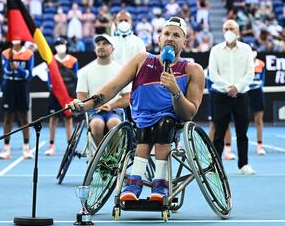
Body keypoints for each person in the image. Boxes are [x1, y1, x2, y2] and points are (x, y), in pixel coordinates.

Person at [69, 17, 205, 202]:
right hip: (142, 121)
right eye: (166, 34)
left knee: (163, 124)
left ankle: (160, 184)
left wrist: (175, 91)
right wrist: (84, 106)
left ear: (185, 42)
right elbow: (112, 88)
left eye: (176, 35)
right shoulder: (141, 60)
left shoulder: (193, 70)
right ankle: (134, 183)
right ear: (159, 39)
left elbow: (189, 113)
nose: (170, 38)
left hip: (172, 123)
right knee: (146, 127)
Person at [208, 19, 256, 175]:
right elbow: (213, 74)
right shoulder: (215, 50)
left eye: (232, 28)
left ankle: (244, 164)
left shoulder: (247, 49)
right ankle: (216, 166)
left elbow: (250, 73)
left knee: (242, 133)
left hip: (241, 96)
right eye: (226, 28)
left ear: (238, 31)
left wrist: (237, 87)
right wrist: (228, 87)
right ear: (223, 31)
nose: (229, 31)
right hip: (221, 96)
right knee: (219, 134)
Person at [76, 34, 130, 146]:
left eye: (105, 43)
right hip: (94, 112)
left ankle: (113, 156)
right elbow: (81, 97)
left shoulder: (121, 70)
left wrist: (111, 106)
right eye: (98, 44)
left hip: (115, 111)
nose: (101, 46)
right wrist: (94, 106)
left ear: (113, 48)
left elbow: (126, 98)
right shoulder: (85, 71)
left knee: (114, 123)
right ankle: (102, 157)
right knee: (96, 124)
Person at [0, 40, 34, 160]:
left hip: (22, 86)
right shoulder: (5, 53)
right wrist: (11, 64)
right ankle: (6, 149)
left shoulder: (29, 53)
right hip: (9, 86)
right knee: (8, 117)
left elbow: (29, 74)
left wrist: (17, 68)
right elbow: (6, 71)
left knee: (23, 117)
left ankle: (26, 148)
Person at [45, 38, 78, 156]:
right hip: (55, 93)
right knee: (53, 118)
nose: (60, 46)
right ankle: (51, 145)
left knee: (68, 119)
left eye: (62, 44)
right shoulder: (51, 60)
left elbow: (75, 77)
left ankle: (70, 145)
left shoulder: (73, 60)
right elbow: (49, 76)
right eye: (57, 44)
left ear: (66, 45)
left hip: (67, 94)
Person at [206, 70, 235, 160]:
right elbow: (209, 85)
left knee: (227, 125)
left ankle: (228, 151)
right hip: (214, 97)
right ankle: (210, 152)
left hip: (227, 97)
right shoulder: (210, 69)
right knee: (213, 125)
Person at [248, 46, 266, 155]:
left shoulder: (261, 64)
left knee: (259, 119)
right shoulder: (244, 63)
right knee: (243, 120)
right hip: (246, 92)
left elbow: (263, 79)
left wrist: (259, 86)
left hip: (257, 93)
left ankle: (260, 146)